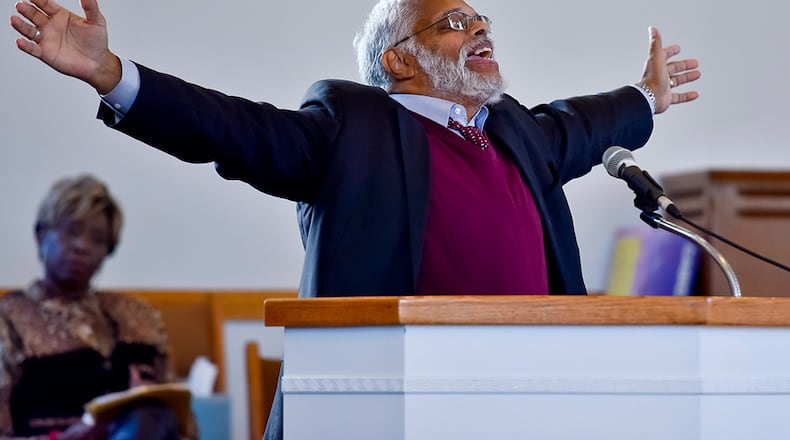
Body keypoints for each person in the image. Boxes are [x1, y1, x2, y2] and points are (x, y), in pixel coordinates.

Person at [9, 0, 701, 438]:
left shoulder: (517, 129)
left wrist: (646, 95)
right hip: (390, 399)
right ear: (399, 59)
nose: (481, 27)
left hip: (526, 394)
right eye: (455, 22)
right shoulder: (355, 125)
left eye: (482, 19)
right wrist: (113, 75)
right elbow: (232, 129)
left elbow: (579, 125)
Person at [0, 175, 185, 439]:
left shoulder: (139, 317)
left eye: (97, 239)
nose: (82, 246)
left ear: (109, 250)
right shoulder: (9, 318)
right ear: (41, 235)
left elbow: (184, 424)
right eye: (71, 231)